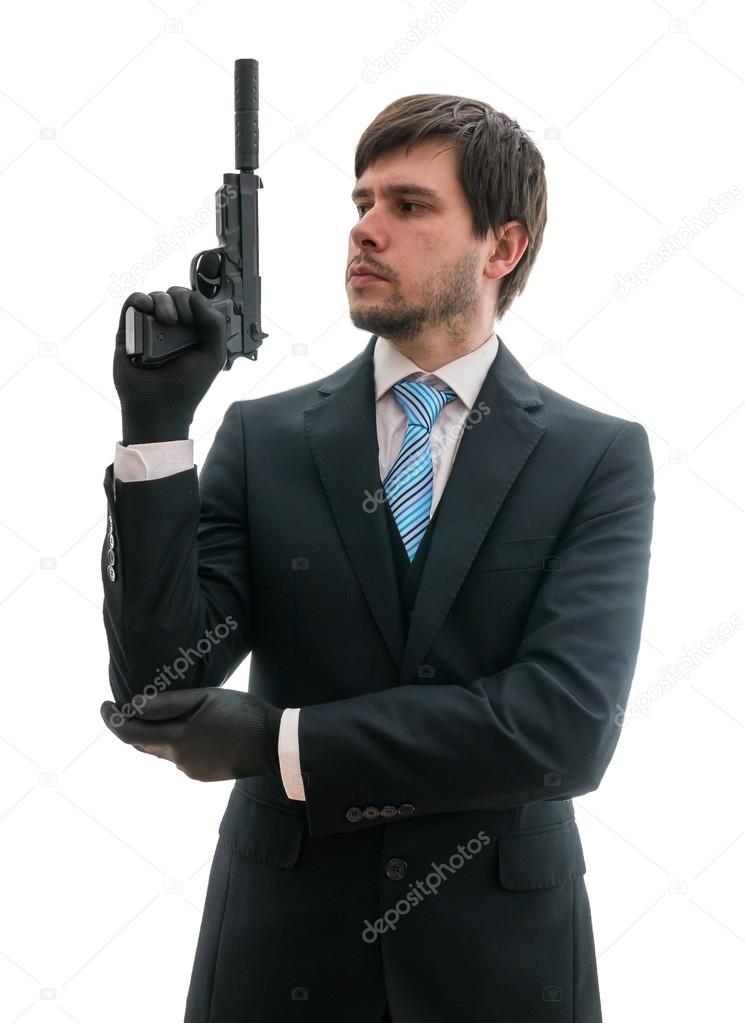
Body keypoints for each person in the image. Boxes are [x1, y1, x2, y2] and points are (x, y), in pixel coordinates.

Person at [100, 93, 655, 1023]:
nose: (366, 230)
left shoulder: (594, 457)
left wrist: (282, 742)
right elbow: (162, 678)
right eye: (361, 204)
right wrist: (156, 432)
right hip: (278, 950)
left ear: (502, 247)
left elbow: (564, 724)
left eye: (408, 206)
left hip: (502, 964)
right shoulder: (265, 437)